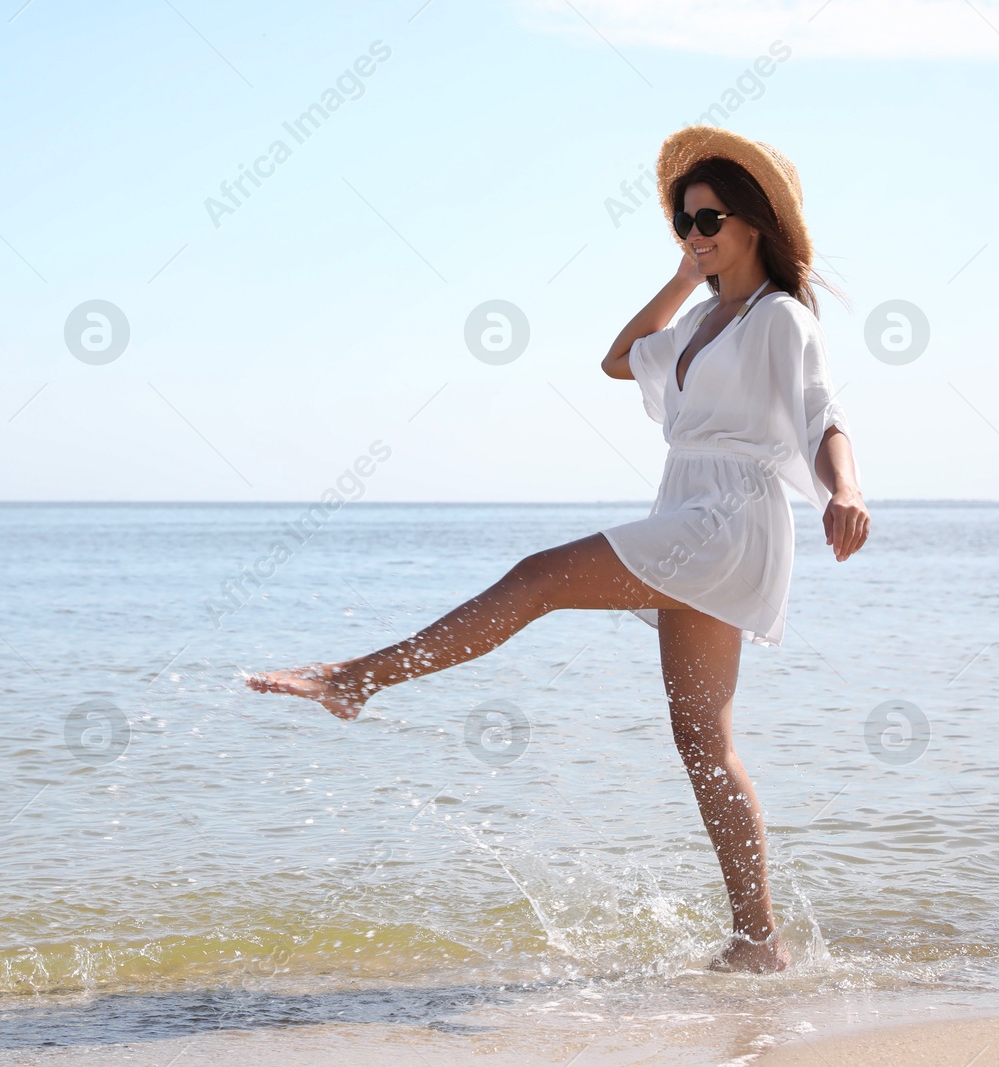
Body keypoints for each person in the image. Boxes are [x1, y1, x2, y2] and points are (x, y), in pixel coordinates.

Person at [246, 125, 870, 974]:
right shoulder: (702, 314)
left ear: (754, 219)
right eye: (683, 224)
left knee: (538, 577)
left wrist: (847, 489)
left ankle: (356, 677)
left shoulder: (780, 318)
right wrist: (684, 276)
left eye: (710, 219)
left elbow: (824, 411)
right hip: (689, 504)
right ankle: (758, 942)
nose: (694, 235)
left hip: (729, 516)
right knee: (700, 739)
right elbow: (618, 360)